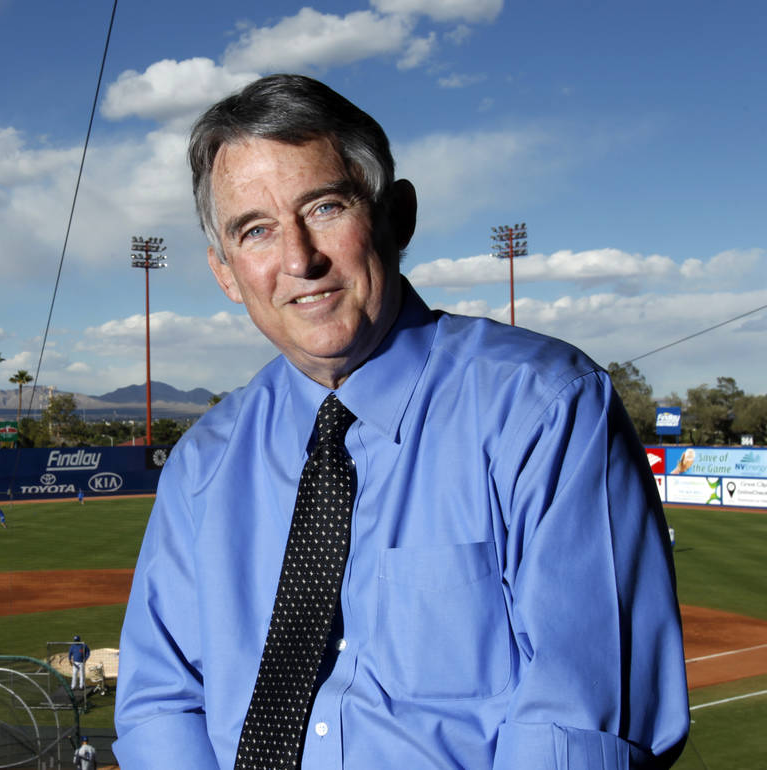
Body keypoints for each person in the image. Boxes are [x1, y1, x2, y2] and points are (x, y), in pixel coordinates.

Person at [114, 74, 689, 769]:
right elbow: (161, 702)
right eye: (256, 230)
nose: (299, 259)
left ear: (398, 216)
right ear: (227, 273)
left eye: (325, 207)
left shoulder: (543, 408)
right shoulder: (205, 458)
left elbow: (577, 725)